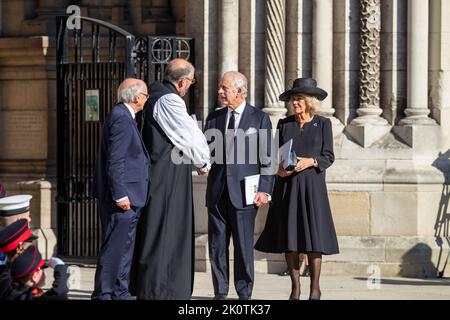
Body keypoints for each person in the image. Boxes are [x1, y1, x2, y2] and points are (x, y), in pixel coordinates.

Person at [130, 58, 210, 300]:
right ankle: (161, 291)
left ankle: (152, 289)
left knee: (155, 232)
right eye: (191, 82)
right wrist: (204, 161)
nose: (189, 87)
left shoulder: (152, 92)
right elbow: (189, 135)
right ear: (183, 81)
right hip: (167, 178)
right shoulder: (169, 99)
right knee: (165, 232)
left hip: (155, 174)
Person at [254, 78, 339, 300]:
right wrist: (278, 170)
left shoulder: (323, 124)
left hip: (312, 188)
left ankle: (315, 288)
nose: (295, 103)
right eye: (293, 99)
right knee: (290, 239)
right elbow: (274, 157)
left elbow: (328, 156)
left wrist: (310, 161)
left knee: (313, 239)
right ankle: (295, 288)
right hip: (288, 187)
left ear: (309, 101)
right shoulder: (285, 124)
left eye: (299, 98)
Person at [204, 71, 274, 300]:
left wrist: (265, 189)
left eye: (225, 88)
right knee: (217, 247)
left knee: (243, 247)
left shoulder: (259, 118)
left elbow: (267, 157)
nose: (220, 92)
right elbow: (207, 152)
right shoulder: (213, 118)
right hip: (217, 193)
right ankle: (220, 292)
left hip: (245, 194)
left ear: (240, 91)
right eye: (220, 88)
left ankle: (244, 293)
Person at [91, 78, 151, 300]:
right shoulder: (122, 119)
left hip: (130, 196)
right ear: (136, 97)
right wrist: (120, 194)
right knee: (115, 247)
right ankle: (104, 293)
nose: (146, 100)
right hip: (122, 197)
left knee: (124, 247)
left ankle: (119, 290)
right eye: (145, 95)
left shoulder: (124, 116)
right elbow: (116, 161)